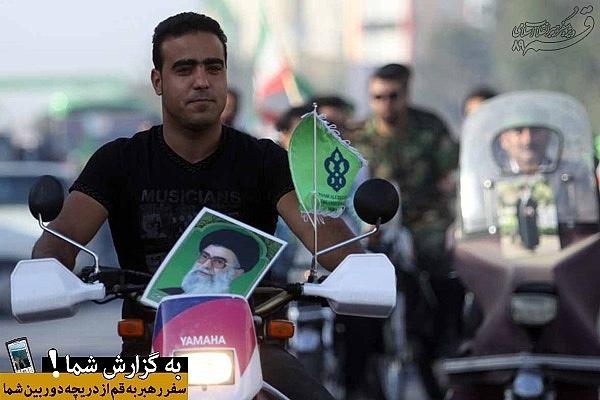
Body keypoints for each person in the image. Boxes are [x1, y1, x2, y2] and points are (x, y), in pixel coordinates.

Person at [31, 12, 360, 400]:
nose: (201, 80)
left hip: (256, 347)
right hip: (147, 349)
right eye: (184, 69)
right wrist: (46, 274)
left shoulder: (265, 160)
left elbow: (330, 242)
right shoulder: (118, 161)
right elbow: (61, 240)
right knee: (48, 388)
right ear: (158, 81)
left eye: (213, 68)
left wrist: (354, 256)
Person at [351, 63, 459, 400]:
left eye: (393, 96)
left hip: (426, 222)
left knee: (445, 262)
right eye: (378, 97)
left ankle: (447, 336)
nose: (386, 104)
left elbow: (452, 176)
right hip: (376, 225)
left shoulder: (430, 127)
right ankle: (360, 362)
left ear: (407, 94)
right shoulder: (358, 138)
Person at [160, 228, 260, 294]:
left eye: (219, 262)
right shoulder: (166, 295)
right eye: (204, 256)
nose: (206, 265)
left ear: (236, 273)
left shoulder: (237, 309)